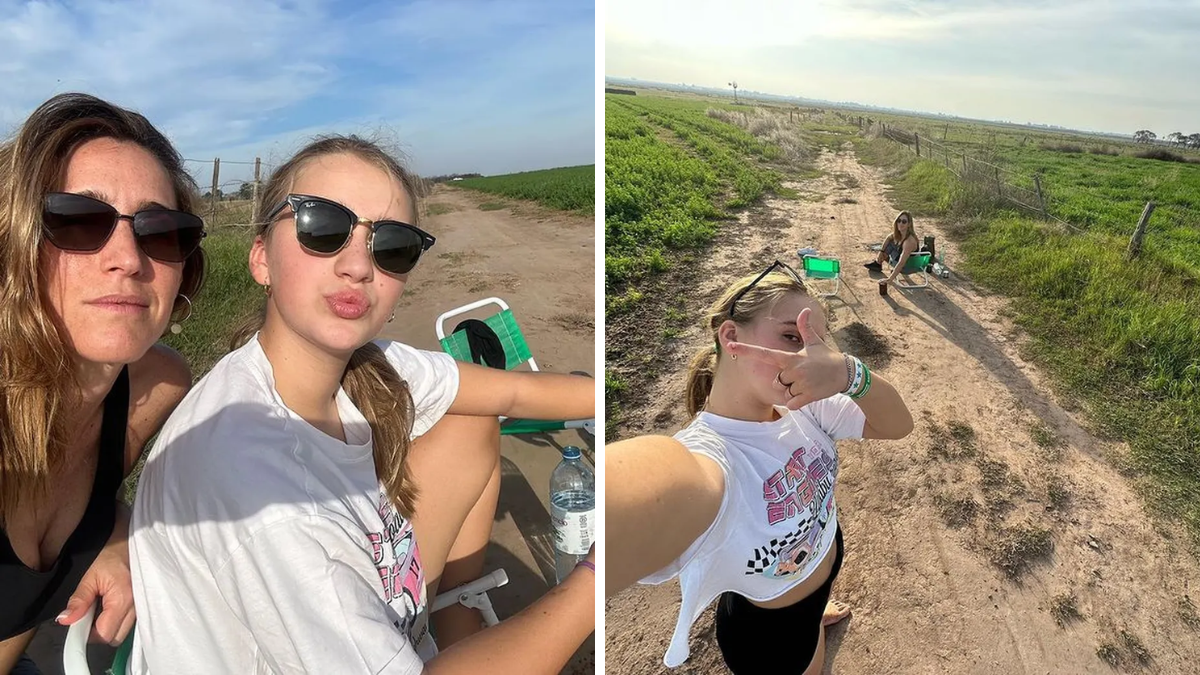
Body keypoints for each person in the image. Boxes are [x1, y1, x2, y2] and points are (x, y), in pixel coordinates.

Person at [128, 135, 596, 674]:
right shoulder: (265, 495)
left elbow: (514, 391)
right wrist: (597, 571)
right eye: (322, 228)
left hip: (360, 612)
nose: (358, 266)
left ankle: (454, 617)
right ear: (261, 258)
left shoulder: (366, 366)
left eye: (391, 246)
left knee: (470, 420)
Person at [604, 261, 913, 675]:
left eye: (819, 346)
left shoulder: (805, 405)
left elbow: (897, 426)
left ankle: (818, 610)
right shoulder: (709, 460)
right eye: (791, 336)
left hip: (815, 585)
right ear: (731, 336)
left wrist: (848, 373)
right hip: (773, 639)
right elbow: (642, 492)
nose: (807, 358)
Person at [0, 93, 206, 674]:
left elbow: (92, 493)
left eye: (159, 231)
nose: (128, 258)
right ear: (14, 242)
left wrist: (113, 532)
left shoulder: (158, 382)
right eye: (76, 219)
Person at [864, 210, 920, 289]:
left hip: (907, 267)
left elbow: (901, 262)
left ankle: (878, 263)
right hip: (906, 262)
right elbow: (888, 237)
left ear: (909, 224)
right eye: (899, 221)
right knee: (890, 243)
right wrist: (881, 251)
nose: (900, 223)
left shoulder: (909, 241)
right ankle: (878, 262)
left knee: (890, 246)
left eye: (904, 221)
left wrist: (890, 279)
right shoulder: (901, 234)